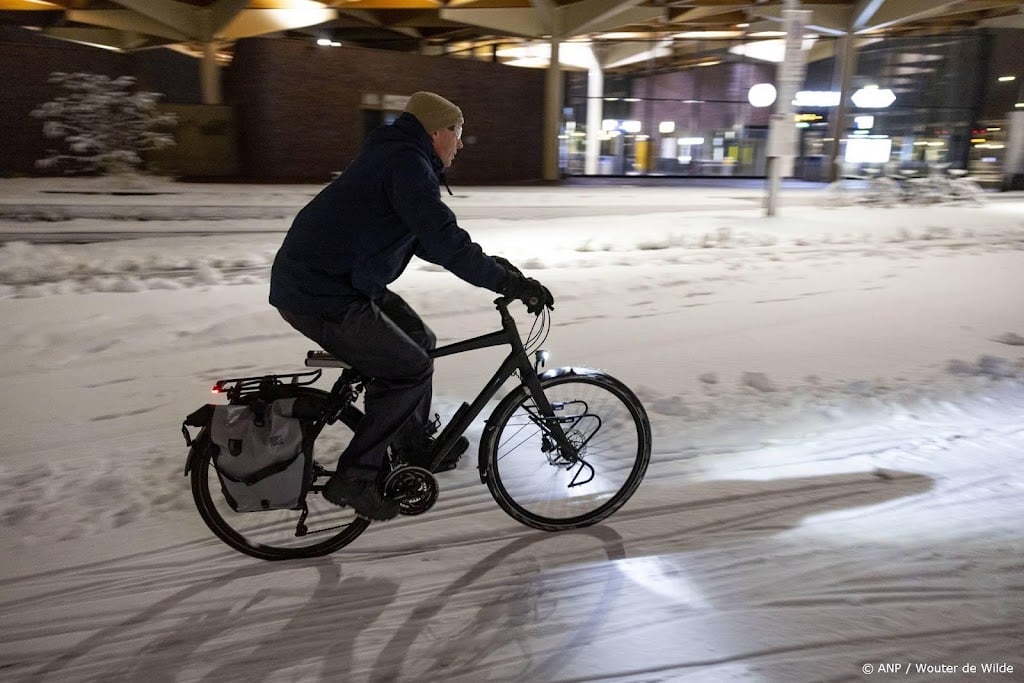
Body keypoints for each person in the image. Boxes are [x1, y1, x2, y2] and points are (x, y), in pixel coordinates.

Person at [269, 91, 553, 521]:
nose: (460, 143)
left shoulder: (399, 157)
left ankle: (412, 443)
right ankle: (357, 477)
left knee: (420, 340)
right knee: (409, 368)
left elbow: (429, 240)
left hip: (340, 278)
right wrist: (508, 283)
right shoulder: (406, 164)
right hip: (322, 289)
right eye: (457, 133)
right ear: (435, 131)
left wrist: (501, 269)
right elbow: (444, 241)